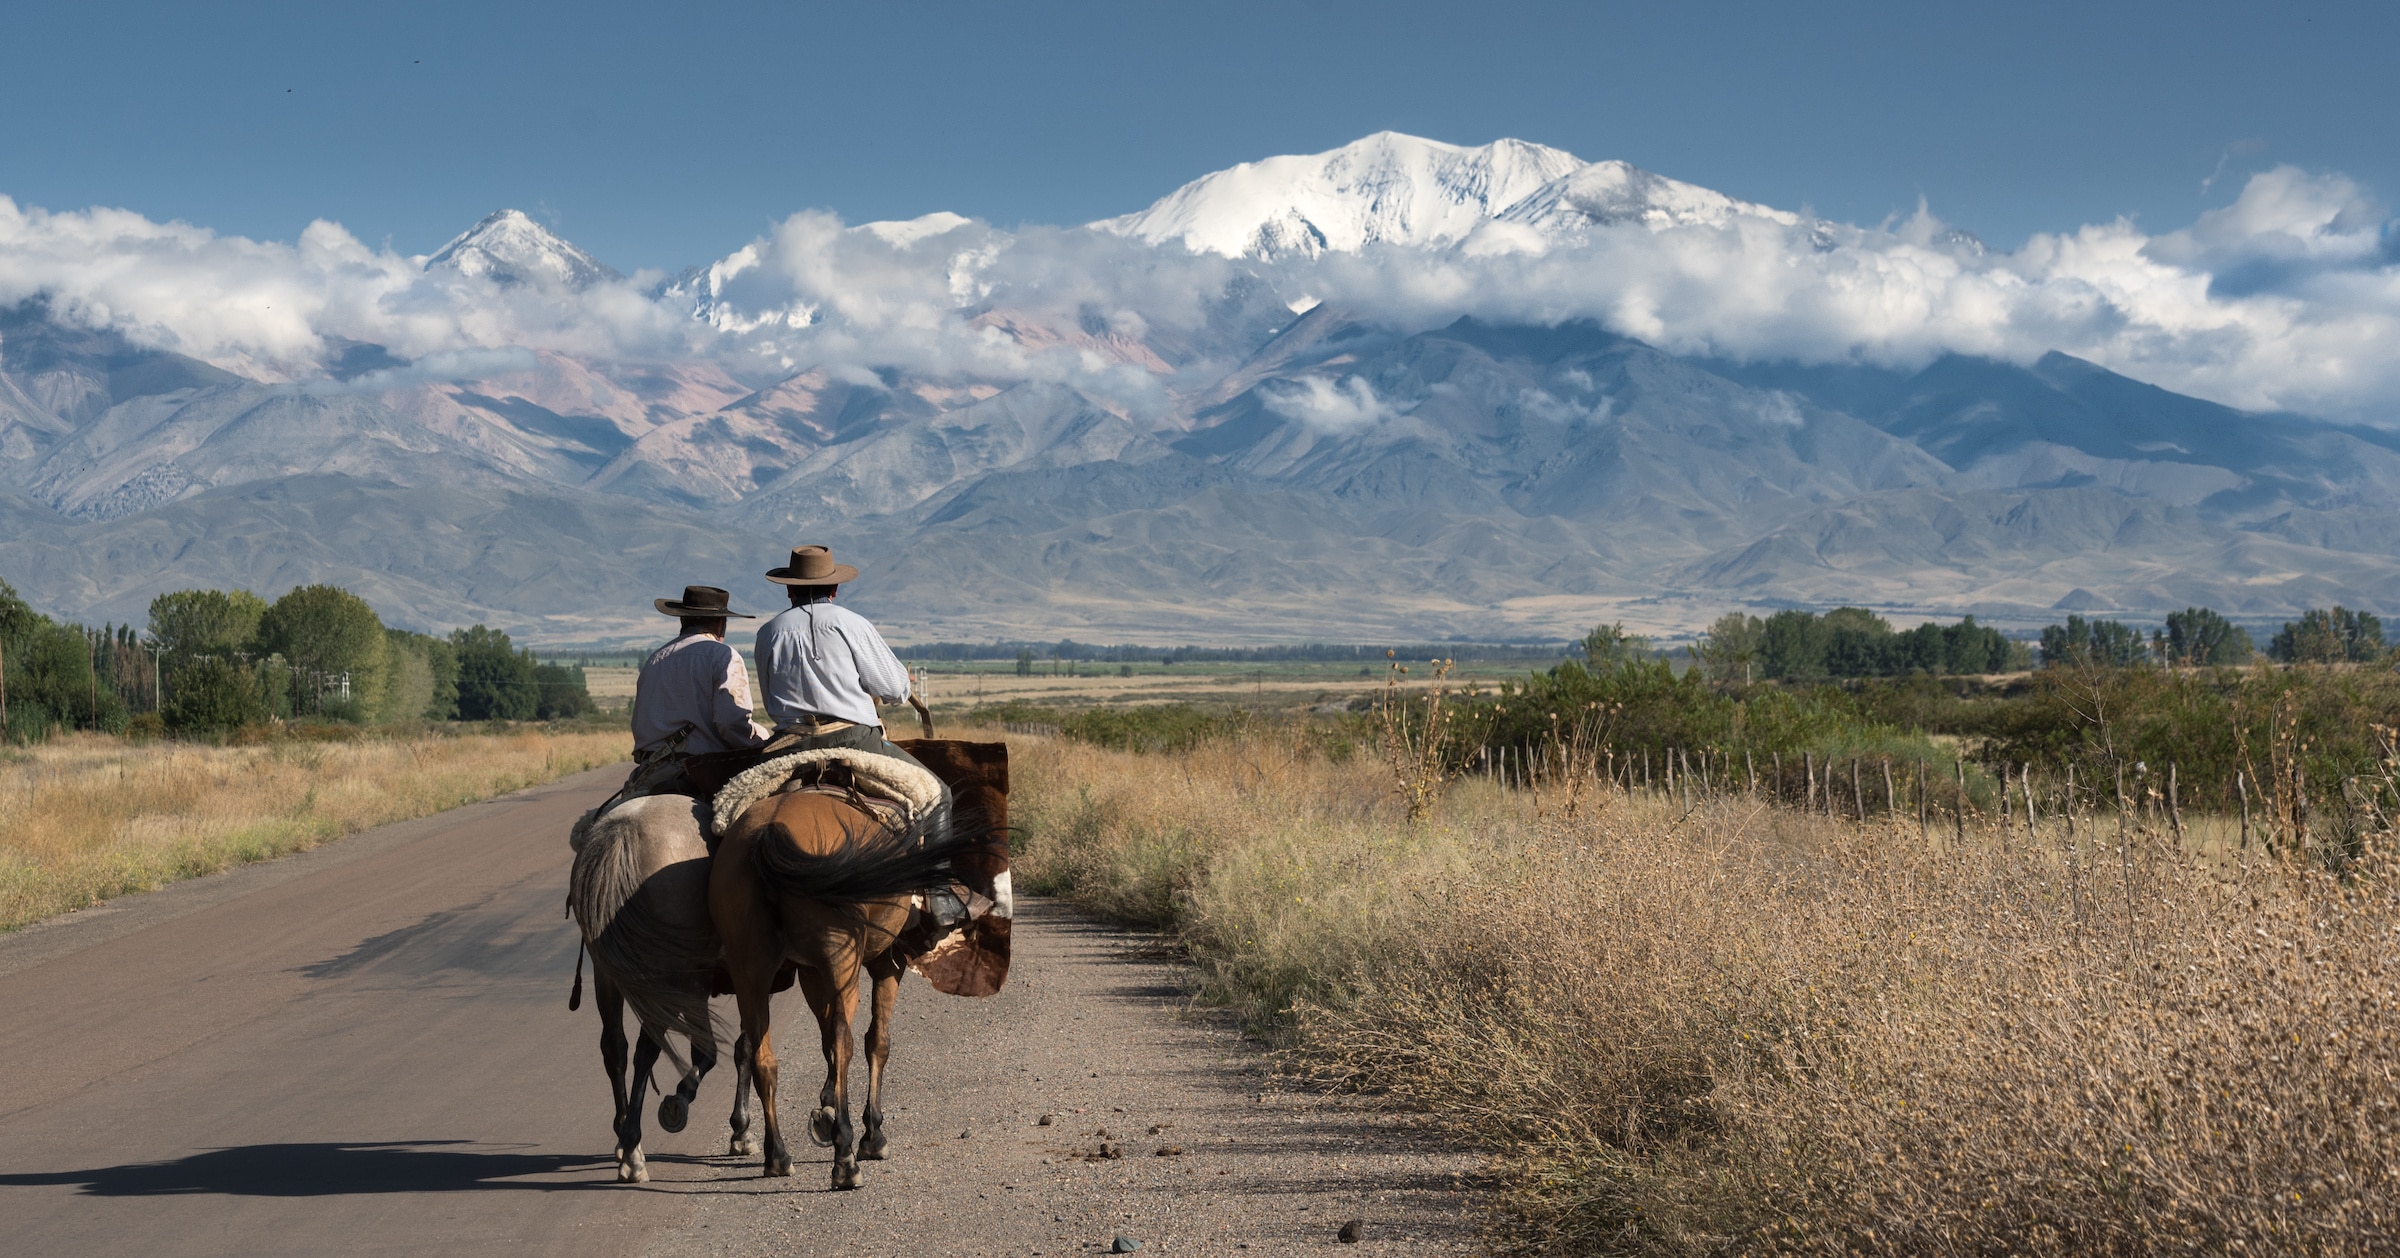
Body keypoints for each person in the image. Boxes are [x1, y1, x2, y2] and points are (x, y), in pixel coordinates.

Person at [752, 546, 926, 768]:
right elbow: (893, 689)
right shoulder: (853, 624)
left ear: (789, 589)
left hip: (789, 744)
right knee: (939, 793)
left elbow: (769, 697)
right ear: (835, 589)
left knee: (733, 796)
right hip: (855, 740)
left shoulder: (768, 632)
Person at [630, 584, 770, 771]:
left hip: (649, 767)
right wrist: (759, 743)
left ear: (682, 619)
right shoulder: (723, 656)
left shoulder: (655, 658)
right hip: (701, 767)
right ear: (721, 623)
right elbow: (731, 723)